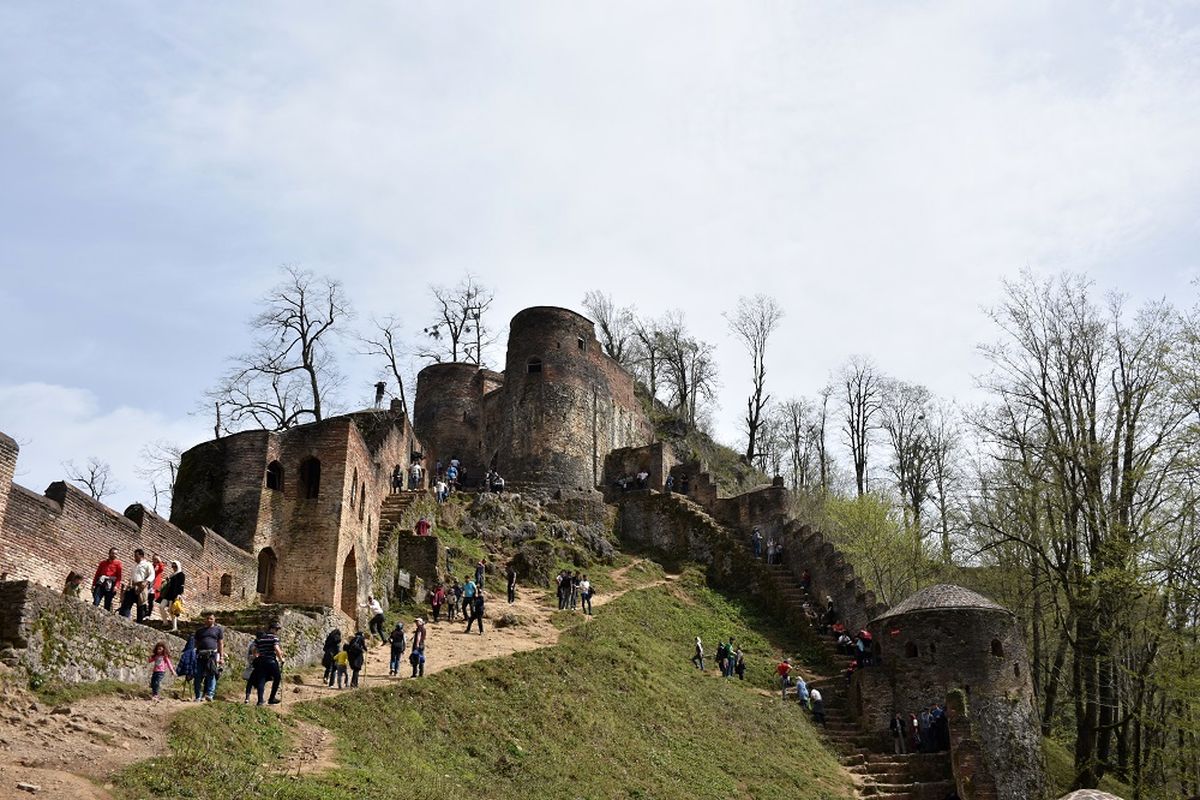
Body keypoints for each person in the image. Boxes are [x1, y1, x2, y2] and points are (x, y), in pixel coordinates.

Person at [193, 612, 224, 702]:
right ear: (204, 620)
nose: (209, 620)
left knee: (211, 674)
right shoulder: (199, 631)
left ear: (214, 620)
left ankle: (210, 694)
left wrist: (221, 657)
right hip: (200, 655)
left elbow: (220, 643)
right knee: (198, 676)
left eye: (211, 618)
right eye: (207, 618)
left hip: (212, 655)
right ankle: (198, 696)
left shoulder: (218, 630)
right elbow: (196, 644)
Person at [251, 621, 284, 706]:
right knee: (277, 677)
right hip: (271, 661)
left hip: (261, 661)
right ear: (272, 629)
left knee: (261, 679)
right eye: (276, 629)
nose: (277, 631)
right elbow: (276, 649)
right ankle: (272, 698)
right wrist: (281, 659)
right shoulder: (274, 638)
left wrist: (256, 656)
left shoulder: (260, 638)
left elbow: (254, 648)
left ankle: (260, 701)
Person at [120, 548, 154, 622]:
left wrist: (146, 582)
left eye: (136, 556)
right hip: (132, 587)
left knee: (141, 607)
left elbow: (152, 575)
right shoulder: (134, 566)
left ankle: (139, 623)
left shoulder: (147, 564)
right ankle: (124, 620)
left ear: (141, 556)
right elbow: (132, 577)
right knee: (126, 604)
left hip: (141, 587)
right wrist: (129, 585)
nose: (134, 557)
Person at [158, 561, 185, 630]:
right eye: (172, 566)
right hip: (168, 594)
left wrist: (179, 594)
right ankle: (165, 622)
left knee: (172, 611)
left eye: (175, 566)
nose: (174, 568)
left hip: (175, 594)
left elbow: (181, 586)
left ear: (178, 566)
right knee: (161, 606)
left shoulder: (181, 574)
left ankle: (174, 627)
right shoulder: (172, 575)